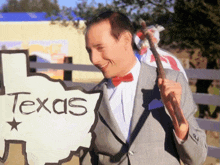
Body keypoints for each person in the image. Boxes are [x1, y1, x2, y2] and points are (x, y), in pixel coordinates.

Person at [80, 10, 207, 165]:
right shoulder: (90, 100)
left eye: (100, 48)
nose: (94, 59)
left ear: (126, 39)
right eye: (89, 51)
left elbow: (197, 158)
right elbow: (87, 159)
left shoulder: (171, 81)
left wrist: (178, 123)